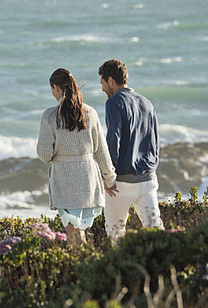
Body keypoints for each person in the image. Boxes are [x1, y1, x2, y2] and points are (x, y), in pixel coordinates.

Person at [37, 68, 117, 246]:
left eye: (52, 89)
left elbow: (44, 154)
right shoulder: (90, 113)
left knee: (74, 235)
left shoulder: (50, 116)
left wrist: (59, 153)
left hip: (65, 181)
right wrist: (110, 179)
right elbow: (102, 151)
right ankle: (86, 266)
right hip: (89, 180)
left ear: (56, 88)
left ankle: (85, 269)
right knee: (78, 232)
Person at [98, 59, 164, 242]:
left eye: (102, 84)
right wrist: (151, 168)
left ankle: (122, 270)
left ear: (111, 81)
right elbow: (155, 141)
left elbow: (113, 140)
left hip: (122, 183)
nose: (102, 89)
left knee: (115, 232)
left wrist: (108, 177)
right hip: (148, 179)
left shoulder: (113, 103)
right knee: (155, 229)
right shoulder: (147, 103)